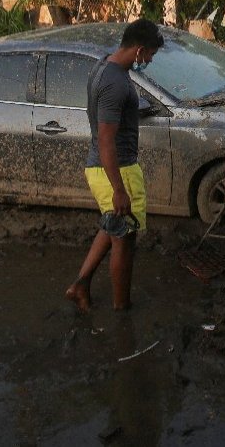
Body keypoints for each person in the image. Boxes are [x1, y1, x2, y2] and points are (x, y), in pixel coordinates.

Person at [64, 19, 164, 312]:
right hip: (115, 170)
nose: (148, 61)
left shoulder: (104, 66)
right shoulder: (115, 82)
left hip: (104, 166)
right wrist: (119, 189)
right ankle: (122, 309)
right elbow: (107, 140)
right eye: (149, 56)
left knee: (112, 227)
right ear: (139, 50)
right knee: (124, 239)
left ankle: (80, 285)